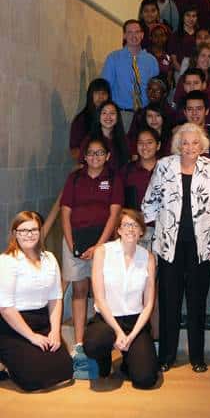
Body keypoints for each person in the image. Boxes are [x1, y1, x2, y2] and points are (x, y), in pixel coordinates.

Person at [142, 123, 210, 372]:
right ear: (178, 144)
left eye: (195, 143)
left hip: (201, 244)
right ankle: (167, 357)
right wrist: (153, 227)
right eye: (185, 142)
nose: (190, 147)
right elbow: (150, 201)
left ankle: (197, 357)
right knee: (169, 300)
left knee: (197, 300)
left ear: (202, 146)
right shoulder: (164, 166)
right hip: (169, 244)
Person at [61, 136, 123, 355]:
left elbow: (115, 214)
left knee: (101, 293)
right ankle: (79, 343)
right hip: (75, 240)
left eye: (99, 153)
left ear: (107, 156)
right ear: (84, 157)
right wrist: (71, 245)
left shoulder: (114, 179)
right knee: (79, 290)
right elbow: (65, 212)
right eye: (90, 153)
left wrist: (99, 246)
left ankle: (101, 343)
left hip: (103, 242)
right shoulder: (74, 178)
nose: (95, 157)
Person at [83, 209, 158, 388]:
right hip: (107, 321)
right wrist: (118, 332)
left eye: (135, 225)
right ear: (118, 229)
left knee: (145, 380)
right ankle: (104, 360)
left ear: (141, 231)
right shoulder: (103, 252)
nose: (130, 229)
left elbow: (148, 304)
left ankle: (128, 360)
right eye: (126, 224)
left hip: (135, 322)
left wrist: (131, 336)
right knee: (94, 343)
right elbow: (99, 299)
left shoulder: (148, 257)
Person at [0, 212, 73, 392]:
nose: (29, 234)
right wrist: (32, 337)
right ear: (15, 233)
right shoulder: (7, 261)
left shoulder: (49, 259)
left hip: (41, 321)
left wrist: (55, 332)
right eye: (23, 230)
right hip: (13, 325)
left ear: (40, 232)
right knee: (34, 380)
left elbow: (55, 298)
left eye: (33, 229)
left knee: (65, 370)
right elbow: (6, 308)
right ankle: (6, 363)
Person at [101, 19, 159, 132]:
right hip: (122, 114)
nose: (134, 36)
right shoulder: (113, 58)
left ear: (142, 35)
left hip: (144, 114)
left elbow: (155, 90)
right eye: (130, 32)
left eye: (137, 32)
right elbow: (106, 88)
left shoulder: (151, 60)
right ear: (124, 35)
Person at [80, 100, 130, 173]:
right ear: (98, 116)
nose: (108, 117)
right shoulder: (89, 140)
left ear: (117, 117)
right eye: (104, 113)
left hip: (118, 181)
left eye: (112, 113)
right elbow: (81, 166)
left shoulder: (124, 139)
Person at [69, 78, 111, 161]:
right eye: (97, 93)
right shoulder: (81, 120)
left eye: (104, 93)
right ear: (90, 95)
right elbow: (74, 151)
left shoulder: (113, 118)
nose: (101, 97)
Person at [168, 5, 198, 73]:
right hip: (180, 72)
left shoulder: (200, 35)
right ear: (182, 17)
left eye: (194, 16)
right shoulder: (175, 36)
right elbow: (173, 60)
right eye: (188, 15)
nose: (191, 19)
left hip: (198, 72)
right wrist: (183, 73)